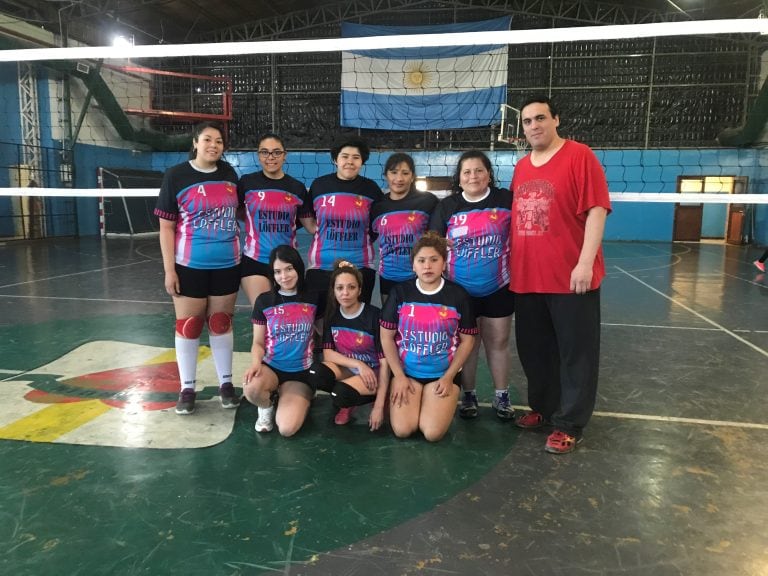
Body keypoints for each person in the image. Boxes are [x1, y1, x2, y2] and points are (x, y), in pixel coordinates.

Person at [509, 95, 611, 454]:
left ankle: (569, 422)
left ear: (556, 120)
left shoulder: (580, 156)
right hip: (526, 277)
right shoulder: (522, 166)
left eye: (540, 118)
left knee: (575, 353)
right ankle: (545, 409)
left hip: (570, 278)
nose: (533, 126)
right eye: (527, 121)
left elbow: (597, 210)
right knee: (535, 351)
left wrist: (585, 262)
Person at [155, 121, 242, 415]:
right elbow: (166, 227)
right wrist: (170, 270)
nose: (213, 145)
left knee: (220, 322)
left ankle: (226, 384)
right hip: (189, 265)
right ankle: (187, 388)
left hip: (227, 264)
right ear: (195, 142)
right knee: (189, 327)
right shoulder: (176, 175)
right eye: (207, 140)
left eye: (219, 141)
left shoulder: (230, 174)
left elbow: (241, 211)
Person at [429, 150, 515, 421]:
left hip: (498, 287)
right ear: (459, 177)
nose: (473, 176)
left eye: (479, 170)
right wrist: (441, 243)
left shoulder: (505, 201)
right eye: (467, 172)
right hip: (460, 290)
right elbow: (431, 242)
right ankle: (469, 393)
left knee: (498, 342)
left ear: (489, 173)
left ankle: (502, 395)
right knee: (468, 345)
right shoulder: (448, 206)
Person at [380, 231, 477, 442]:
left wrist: (449, 376)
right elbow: (386, 337)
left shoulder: (458, 295)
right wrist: (399, 376)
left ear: (444, 263)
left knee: (432, 434)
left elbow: (468, 340)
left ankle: (433, 400)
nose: (427, 266)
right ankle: (417, 400)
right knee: (403, 430)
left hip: (442, 375)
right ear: (413, 265)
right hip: (408, 375)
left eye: (434, 260)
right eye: (421, 260)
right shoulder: (400, 293)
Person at [243, 245, 319, 437]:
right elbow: (258, 342)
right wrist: (255, 364)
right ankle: (266, 406)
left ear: (298, 268)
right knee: (251, 389)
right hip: (272, 367)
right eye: (277, 271)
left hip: (301, 372)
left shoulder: (313, 297)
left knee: (287, 429)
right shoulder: (264, 301)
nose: (284, 276)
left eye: (288, 269)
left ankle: (297, 398)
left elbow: (324, 332)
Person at [305, 136, 383, 316]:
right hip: (321, 266)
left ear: (362, 161)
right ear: (335, 159)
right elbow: (308, 217)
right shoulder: (319, 185)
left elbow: (376, 226)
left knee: (353, 322)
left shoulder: (371, 189)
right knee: (318, 321)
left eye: (356, 157)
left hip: (360, 266)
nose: (350, 161)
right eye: (345, 156)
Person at [310, 260, 390, 429]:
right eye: (340, 288)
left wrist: (378, 407)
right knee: (316, 373)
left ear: (360, 290)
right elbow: (328, 353)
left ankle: (376, 396)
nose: (345, 293)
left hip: (375, 373)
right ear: (333, 290)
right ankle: (349, 396)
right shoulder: (332, 316)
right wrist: (358, 364)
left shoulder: (374, 316)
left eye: (351, 287)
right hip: (353, 369)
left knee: (340, 394)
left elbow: (385, 363)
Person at [239, 133, 316, 305]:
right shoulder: (247, 183)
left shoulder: (296, 187)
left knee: (287, 314)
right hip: (255, 260)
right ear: (259, 155)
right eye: (265, 152)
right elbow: (237, 211)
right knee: (266, 314)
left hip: (288, 261)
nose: (270, 157)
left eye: (276, 152)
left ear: (285, 155)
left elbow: (309, 225)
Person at [371, 153, 438, 301]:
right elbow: (369, 236)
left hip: (421, 275)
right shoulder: (378, 207)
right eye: (394, 172)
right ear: (386, 175)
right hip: (389, 275)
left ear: (413, 176)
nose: (399, 179)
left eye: (405, 173)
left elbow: (438, 236)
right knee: (391, 322)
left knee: (420, 321)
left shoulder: (427, 201)